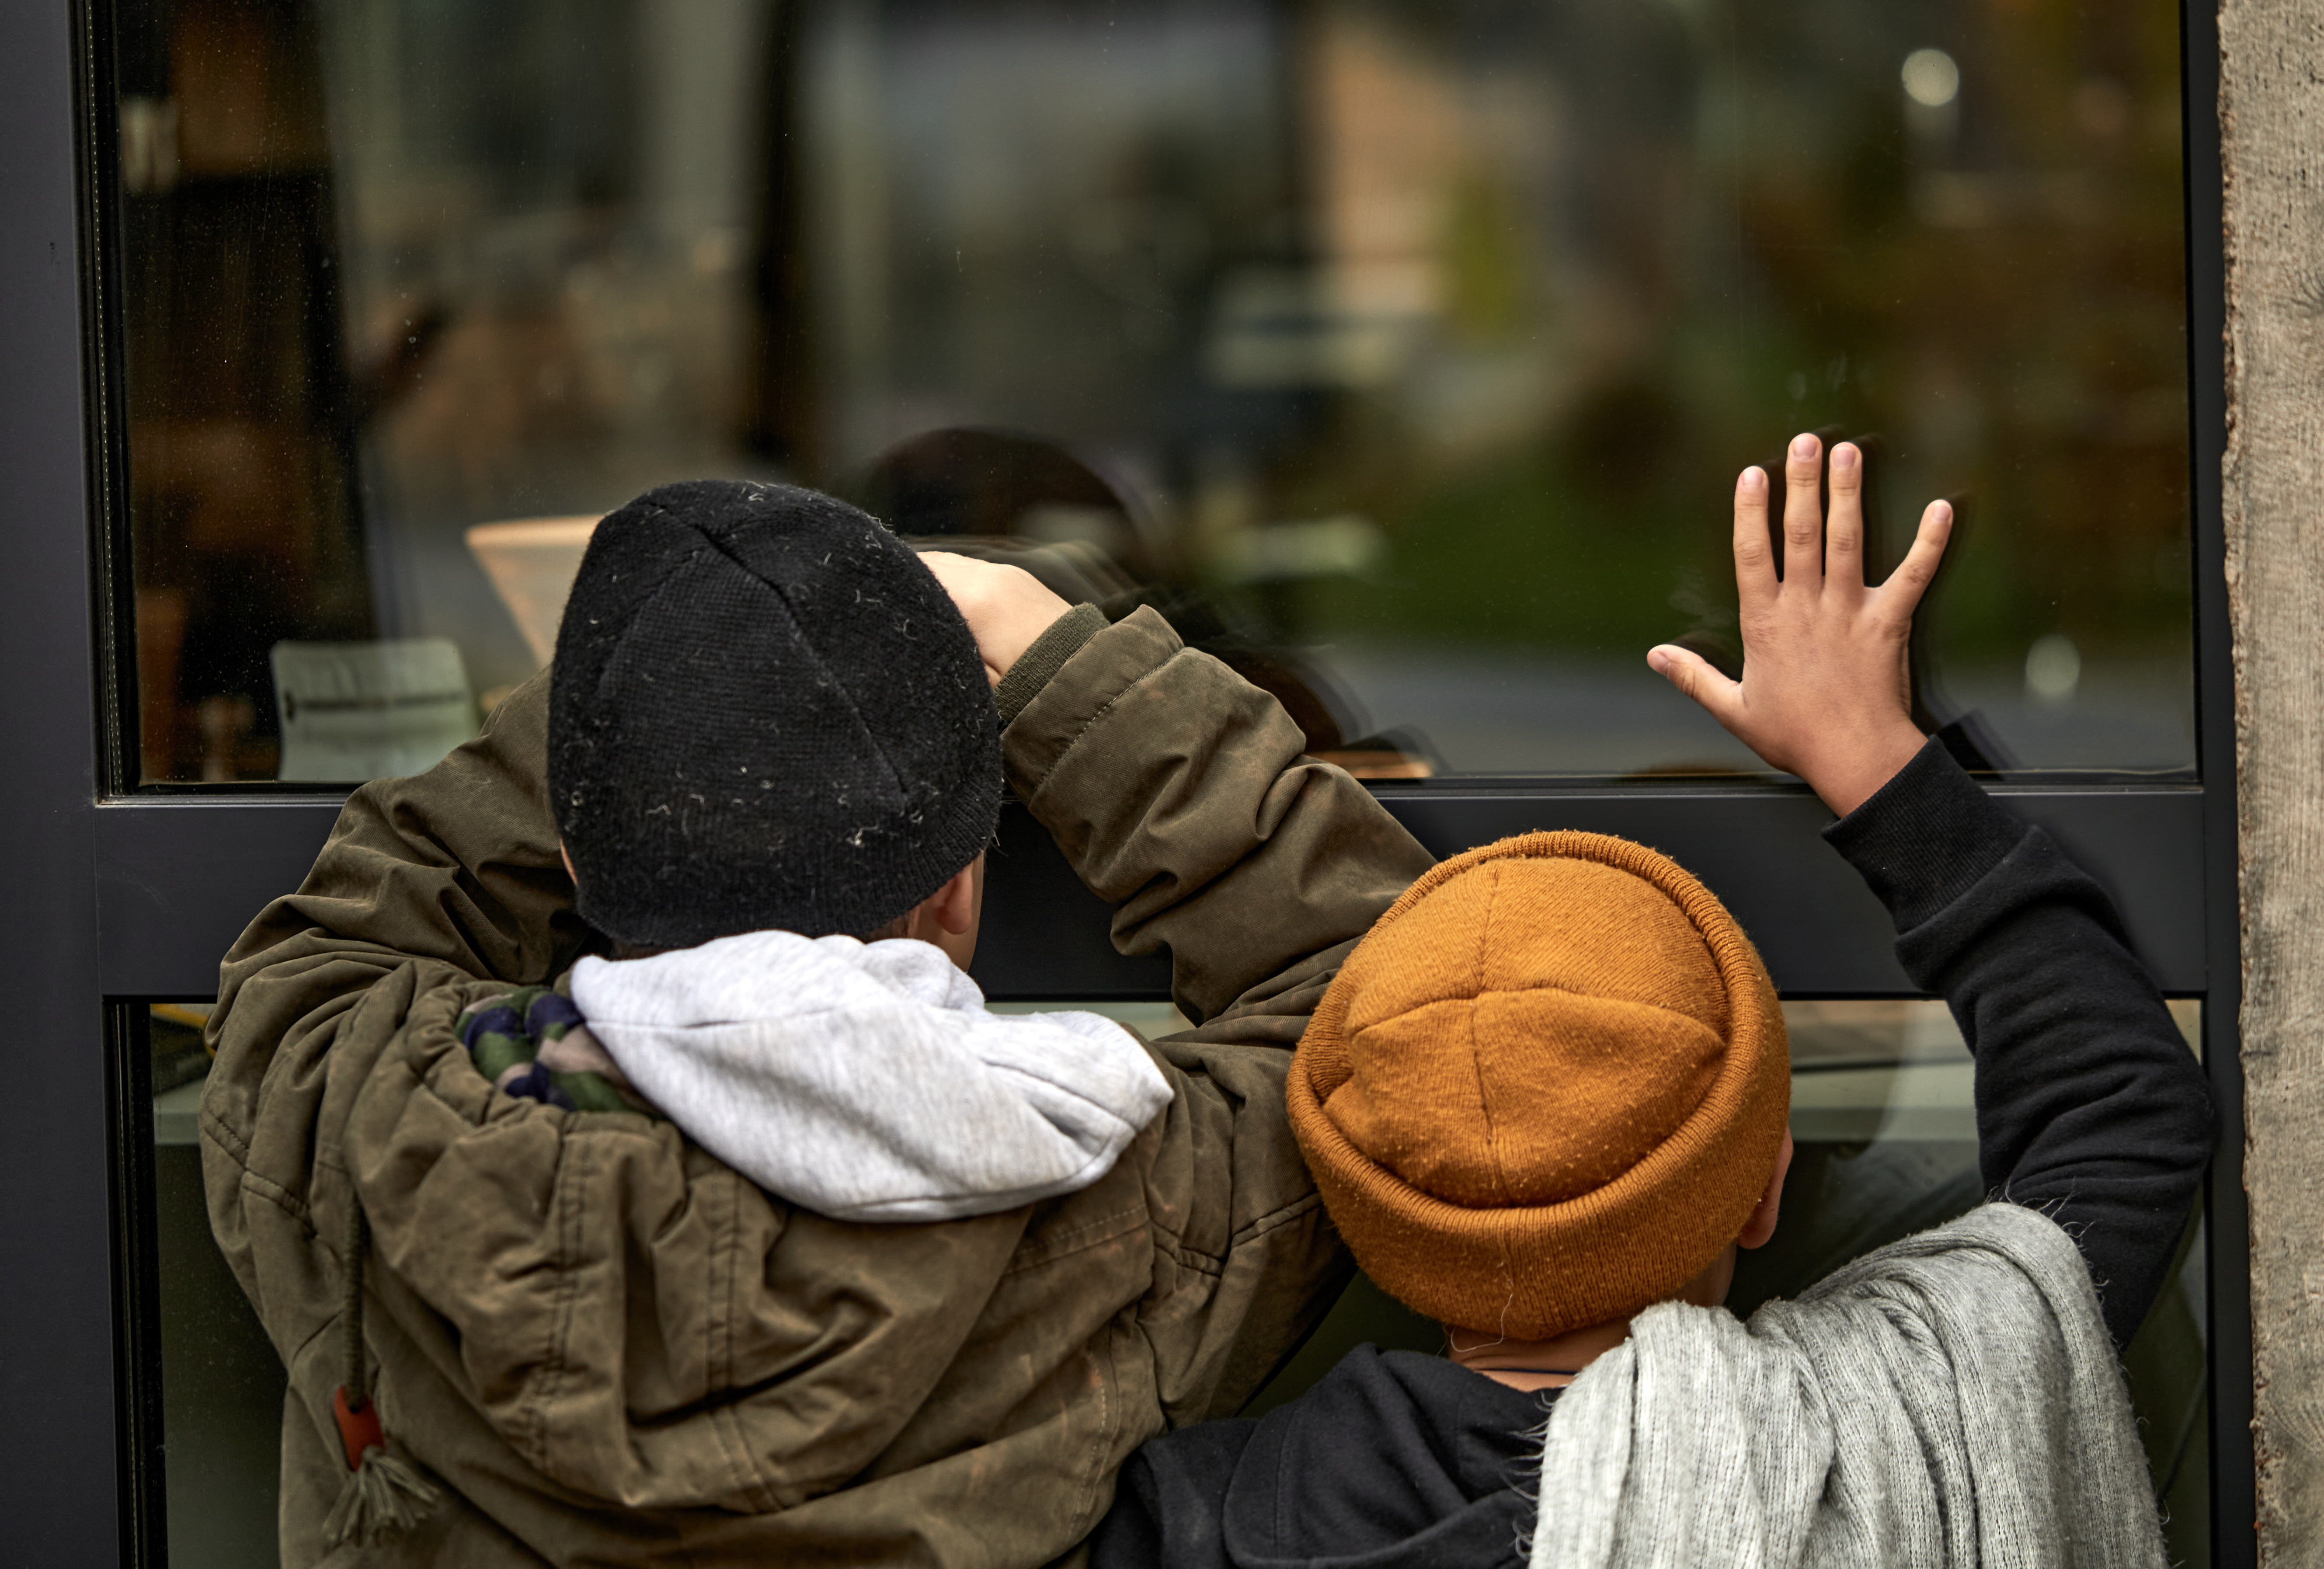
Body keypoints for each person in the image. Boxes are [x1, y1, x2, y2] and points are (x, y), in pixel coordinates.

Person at [200, 477, 1434, 1566]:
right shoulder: (1139, 1212)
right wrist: (1074, 679)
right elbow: (1372, 996)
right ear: (954, 893)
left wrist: (660, 666)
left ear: (575, 856)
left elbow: (343, 936)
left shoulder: (362, 1129)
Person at [1089, 434, 2217, 1569]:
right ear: (1768, 1186)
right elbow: (2121, 1113)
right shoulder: (1910, 1417)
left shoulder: (1186, 1517)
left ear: (1370, 1231)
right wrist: (1876, 760)